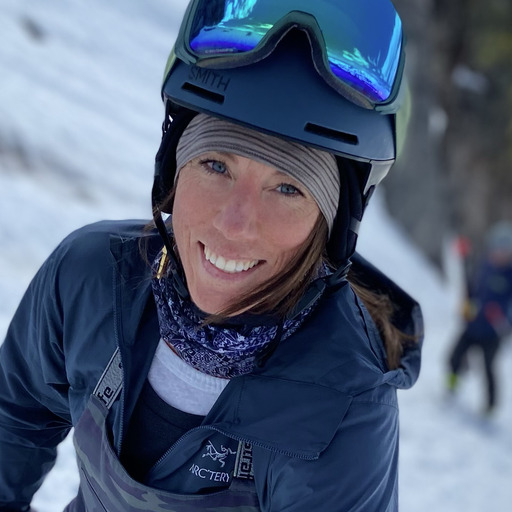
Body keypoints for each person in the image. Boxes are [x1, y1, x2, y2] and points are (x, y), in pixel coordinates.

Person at [0, 1, 423, 510]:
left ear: (330, 225)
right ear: (172, 169)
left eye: (288, 188)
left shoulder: (341, 412)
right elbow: (13, 419)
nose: (233, 225)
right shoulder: (88, 279)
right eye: (216, 165)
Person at [447, 222, 512, 414]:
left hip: (492, 332)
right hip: (473, 324)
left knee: (488, 369)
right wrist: (467, 304)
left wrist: (504, 319)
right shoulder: (484, 264)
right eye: (497, 248)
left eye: (505, 250)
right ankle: (451, 387)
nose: (500, 253)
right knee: (454, 357)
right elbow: (472, 285)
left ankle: (490, 406)